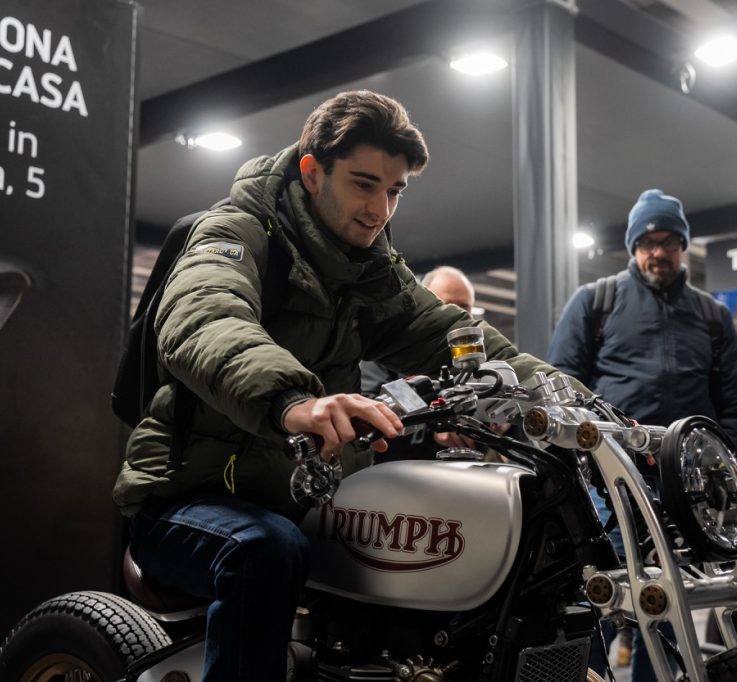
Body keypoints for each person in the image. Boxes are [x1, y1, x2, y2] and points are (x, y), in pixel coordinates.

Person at [112, 90, 580, 681]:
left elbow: (453, 334)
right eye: (364, 184)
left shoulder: (369, 270)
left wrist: (579, 404)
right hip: (188, 496)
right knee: (264, 550)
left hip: (302, 498)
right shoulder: (234, 232)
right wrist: (294, 400)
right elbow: (204, 317)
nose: (379, 209)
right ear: (312, 172)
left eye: (394, 191)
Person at [547, 189, 737, 681]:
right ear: (633, 247)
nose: (658, 252)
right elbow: (559, 386)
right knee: (596, 593)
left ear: (683, 246)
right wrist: (582, 465)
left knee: (668, 601)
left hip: (685, 486)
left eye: (668, 241)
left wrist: (720, 473)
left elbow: (735, 405)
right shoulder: (596, 302)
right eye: (647, 242)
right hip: (608, 483)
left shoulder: (711, 316)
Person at [360, 265, 477, 459]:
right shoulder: (388, 350)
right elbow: (370, 410)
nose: (456, 315)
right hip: (396, 470)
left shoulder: (470, 365)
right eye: (447, 305)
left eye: (464, 308)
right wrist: (434, 427)